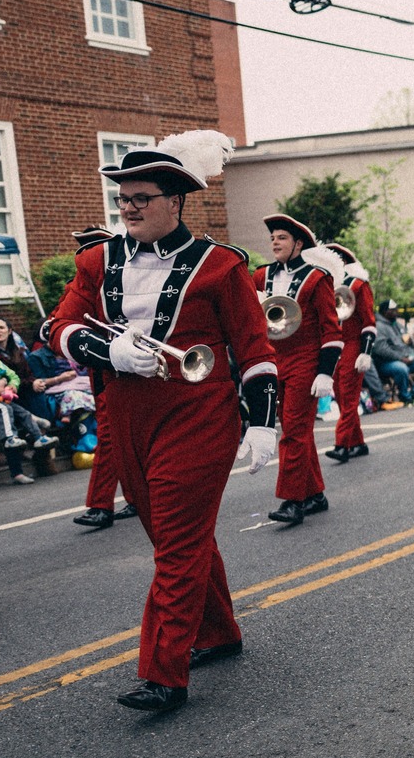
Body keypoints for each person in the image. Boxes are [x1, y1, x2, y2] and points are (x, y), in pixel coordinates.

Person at [51, 129, 278, 711]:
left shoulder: (222, 265)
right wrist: (106, 354)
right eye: (122, 198)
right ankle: (220, 630)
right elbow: (60, 328)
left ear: (174, 200)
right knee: (173, 533)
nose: (127, 208)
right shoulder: (95, 260)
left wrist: (262, 421)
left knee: (175, 544)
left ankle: (163, 672)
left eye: (140, 198)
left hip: (198, 412)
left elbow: (254, 349)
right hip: (125, 409)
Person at [255, 214, 343, 526]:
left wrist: (325, 372)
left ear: (299, 243)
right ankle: (315, 494)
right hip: (273, 360)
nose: (275, 243)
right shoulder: (261, 275)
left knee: (293, 430)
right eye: (273, 238)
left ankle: (293, 500)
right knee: (296, 430)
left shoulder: (317, 278)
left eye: (281, 238)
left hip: (305, 361)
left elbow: (331, 330)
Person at [64, 227, 138, 530]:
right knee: (119, 437)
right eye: (82, 250)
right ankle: (135, 497)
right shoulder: (79, 284)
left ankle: (100, 504)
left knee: (110, 438)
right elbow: (61, 318)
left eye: (91, 249)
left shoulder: (124, 282)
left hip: (123, 366)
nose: (85, 255)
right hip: (96, 367)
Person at [324, 242, 377, 464]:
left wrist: (365, 352)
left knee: (348, 395)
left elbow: (369, 322)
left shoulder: (358, 285)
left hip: (353, 345)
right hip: (334, 347)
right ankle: (358, 443)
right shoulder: (326, 286)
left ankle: (342, 445)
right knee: (342, 394)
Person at [0, 338, 58, 455]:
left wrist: (12, 385)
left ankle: (39, 437)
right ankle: (9, 438)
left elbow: (13, 375)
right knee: (4, 408)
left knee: (22, 411)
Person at [372, 300, 414, 406]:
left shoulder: (397, 324)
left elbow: (408, 342)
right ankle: (404, 396)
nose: (396, 311)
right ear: (385, 312)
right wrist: (400, 358)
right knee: (401, 368)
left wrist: (412, 352)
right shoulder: (379, 326)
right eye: (393, 310)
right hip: (386, 363)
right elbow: (381, 349)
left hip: (406, 359)